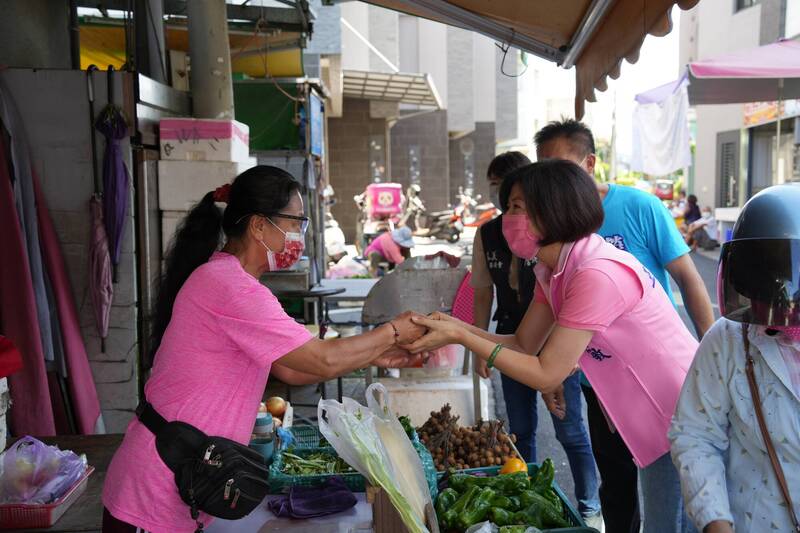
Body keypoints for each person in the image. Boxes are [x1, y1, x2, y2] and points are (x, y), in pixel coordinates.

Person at [102, 166, 426, 533]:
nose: (298, 237)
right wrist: (395, 331)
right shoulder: (229, 286)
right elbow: (321, 358)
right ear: (258, 226)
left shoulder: (227, 280)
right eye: (295, 223)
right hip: (153, 491)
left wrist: (375, 353)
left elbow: (293, 370)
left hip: (180, 478)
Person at [403, 160, 699, 533]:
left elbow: (546, 373)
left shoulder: (595, 273)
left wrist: (463, 337)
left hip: (677, 412)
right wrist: (454, 326)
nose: (506, 217)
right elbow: (526, 345)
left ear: (551, 211)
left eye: (516, 208)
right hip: (640, 412)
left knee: (668, 524)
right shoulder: (554, 270)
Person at [534, 119, 714, 533]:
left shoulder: (639, 207)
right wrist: (558, 366)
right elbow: (559, 310)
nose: (548, 180)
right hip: (599, 382)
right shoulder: (552, 232)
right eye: (540, 168)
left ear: (590, 162)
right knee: (616, 486)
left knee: (672, 497)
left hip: (655, 383)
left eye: (559, 166)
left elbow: (689, 279)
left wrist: (713, 356)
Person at [470, 151, 600, 521]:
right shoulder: (541, 266)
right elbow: (518, 336)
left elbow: (554, 351)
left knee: (571, 433)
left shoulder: (581, 266)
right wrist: (471, 339)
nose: (509, 213)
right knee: (521, 431)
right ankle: (525, 502)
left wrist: (555, 368)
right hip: (517, 336)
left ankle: (590, 508)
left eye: (517, 204)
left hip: (561, 345)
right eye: (505, 199)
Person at [670, 184, 800, 533]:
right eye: (766, 271)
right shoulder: (729, 339)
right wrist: (716, 522)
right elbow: (695, 433)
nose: (780, 289)